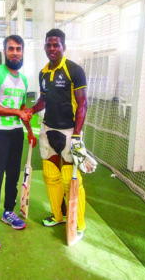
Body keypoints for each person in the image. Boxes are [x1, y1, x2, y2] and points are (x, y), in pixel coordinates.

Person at [26, 28, 97, 240]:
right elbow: (44, 100)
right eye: (48, 45)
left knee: (70, 180)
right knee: (50, 176)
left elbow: (82, 104)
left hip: (69, 132)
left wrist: (77, 135)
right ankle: (58, 215)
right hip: (48, 130)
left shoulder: (74, 70)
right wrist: (31, 110)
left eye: (56, 45)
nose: (52, 48)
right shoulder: (43, 73)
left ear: (63, 47)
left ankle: (79, 223)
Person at [0, 34, 37, 250]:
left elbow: (23, 111)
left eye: (19, 49)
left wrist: (30, 132)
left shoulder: (23, 80)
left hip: (16, 134)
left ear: (23, 52)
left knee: (13, 177)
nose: (15, 52)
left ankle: (8, 212)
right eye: (11, 49)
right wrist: (15, 111)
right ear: (5, 51)